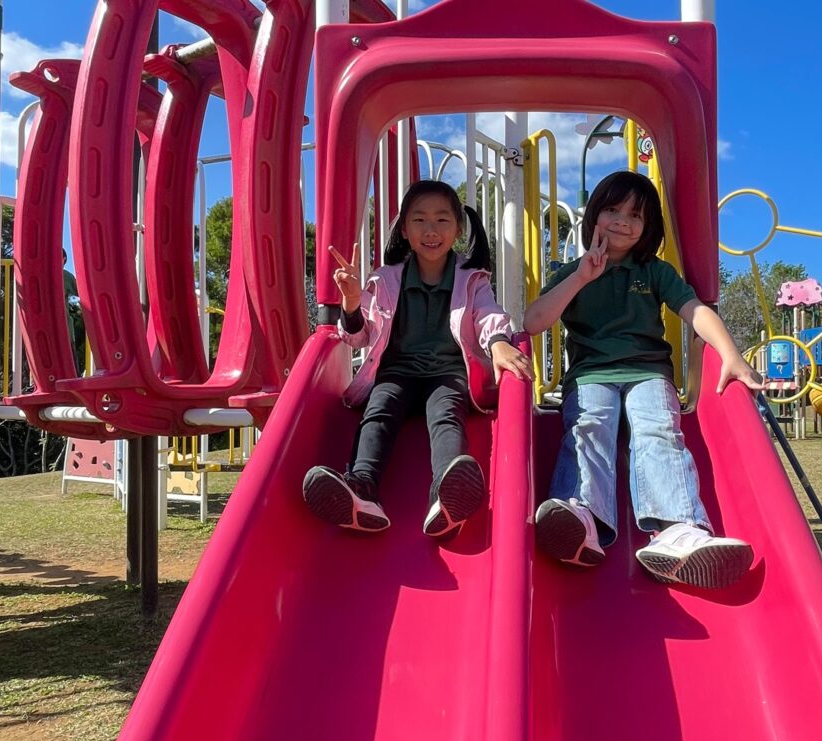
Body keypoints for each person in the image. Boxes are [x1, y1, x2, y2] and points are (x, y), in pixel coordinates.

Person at [523, 171, 765, 588]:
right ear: (595, 215)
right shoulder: (574, 272)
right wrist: (581, 277)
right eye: (612, 210)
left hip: (648, 372)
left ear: (647, 224)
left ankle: (679, 528)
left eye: (635, 215)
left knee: (658, 430)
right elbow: (533, 321)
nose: (622, 221)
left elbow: (695, 310)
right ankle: (581, 516)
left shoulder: (654, 271)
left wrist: (730, 353)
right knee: (589, 425)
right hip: (592, 374)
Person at [303, 180, 532, 539]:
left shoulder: (472, 279)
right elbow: (360, 336)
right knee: (379, 409)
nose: (430, 230)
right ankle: (362, 488)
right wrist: (352, 303)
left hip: (448, 373)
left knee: (446, 413)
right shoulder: (385, 280)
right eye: (419, 220)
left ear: (458, 229)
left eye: (442, 220)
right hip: (397, 372)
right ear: (405, 230)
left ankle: (446, 496)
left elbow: (487, 314)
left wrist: (499, 342)